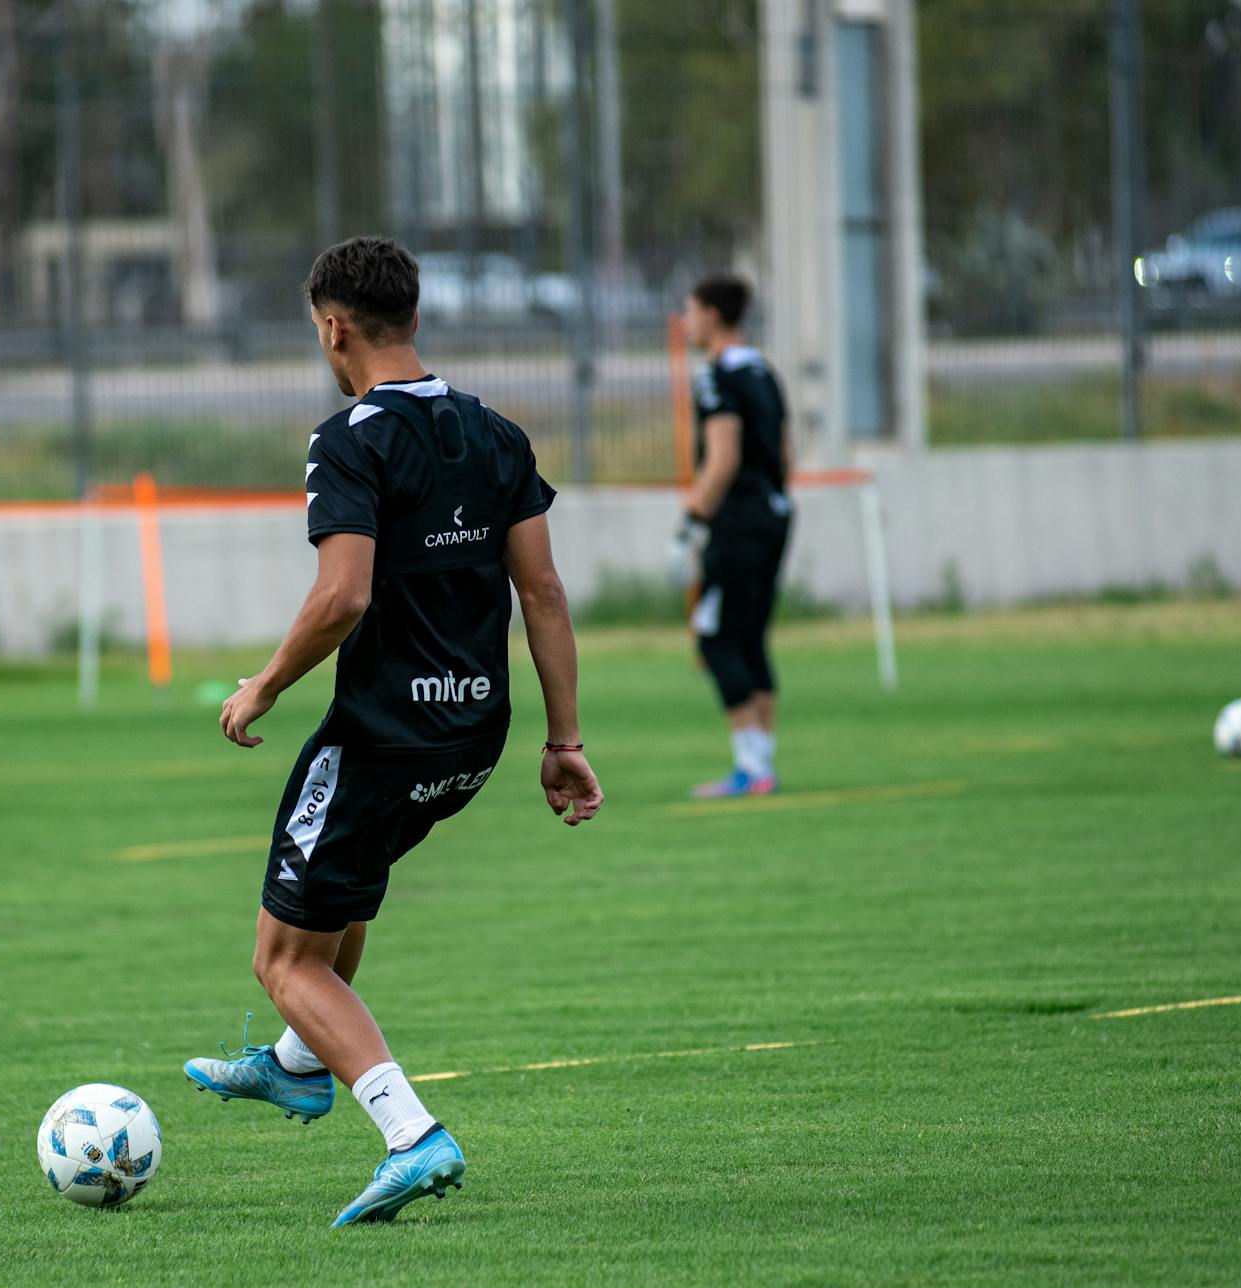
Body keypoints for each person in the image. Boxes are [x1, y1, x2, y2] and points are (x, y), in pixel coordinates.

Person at [182, 237, 603, 1227]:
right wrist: (563, 741)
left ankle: (411, 1134)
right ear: (410, 316)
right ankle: (294, 1065)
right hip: (472, 741)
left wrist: (265, 686)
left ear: (333, 327)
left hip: (377, 734)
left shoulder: (350, 441)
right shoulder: (497, 435)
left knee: (284, 961)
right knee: (346, 886)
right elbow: (539, 591)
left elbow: (341, 596)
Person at [680, 275, 793, 799]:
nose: (686, 321)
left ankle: (750, 768)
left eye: (691, 310)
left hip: (739, 519)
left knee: (715, 634)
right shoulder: (763, 370)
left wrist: (693, 523)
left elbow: (722, 458)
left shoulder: (716, 376)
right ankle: (763, 765)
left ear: (711, 316)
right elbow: (786, 455)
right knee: (750, 636)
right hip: (775, 512)